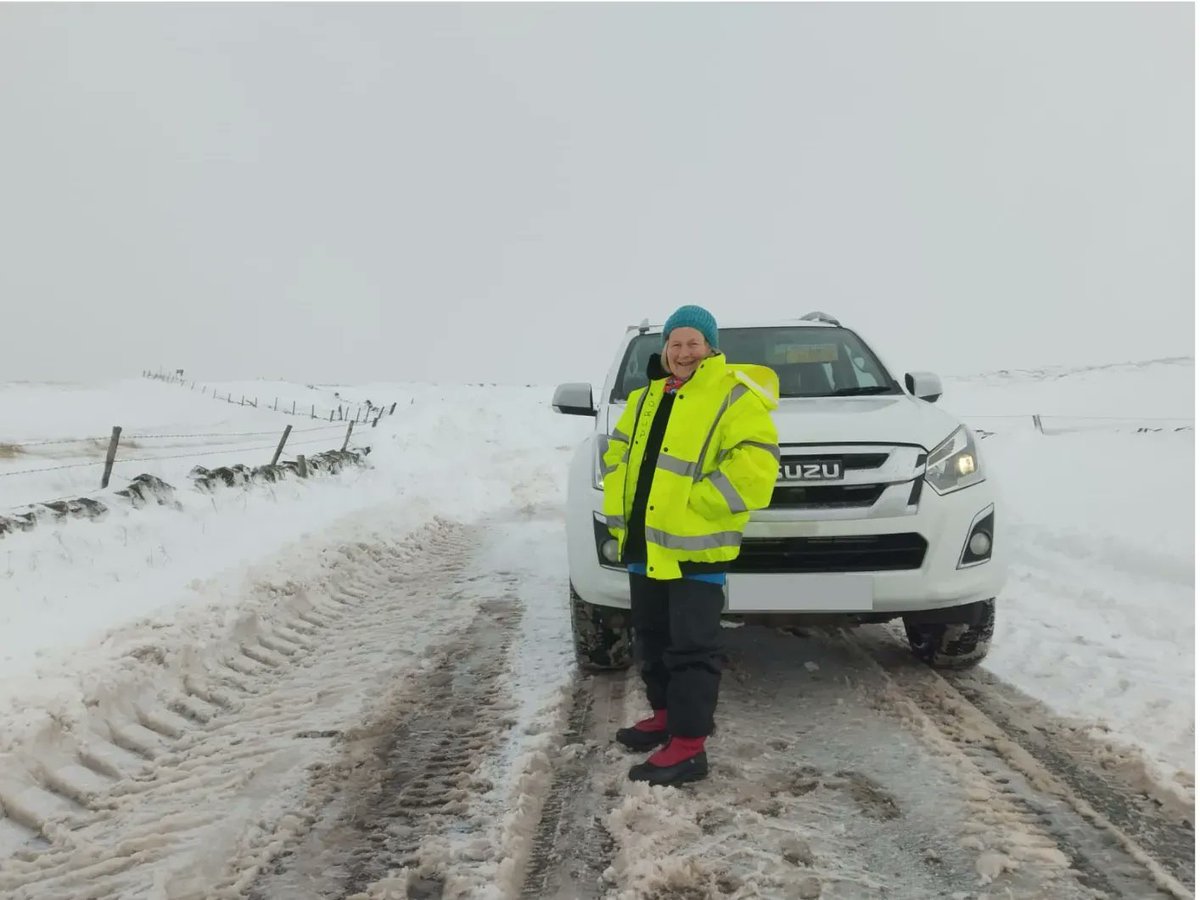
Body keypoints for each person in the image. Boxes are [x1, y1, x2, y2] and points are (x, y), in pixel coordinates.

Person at [601, 305, 780, 786]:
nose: (683, 353)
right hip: (645, 545)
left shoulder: (732, 394)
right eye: (675, 344)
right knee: (653, 638)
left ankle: (688, 746)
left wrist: (697, 503)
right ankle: (664, 716)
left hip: (695, 548)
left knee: (692, 647)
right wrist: (619, 500)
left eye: (693, 343)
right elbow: (618, 454)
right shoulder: (645, 398)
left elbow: (756, 469)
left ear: (711, 347)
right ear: (665, 350)